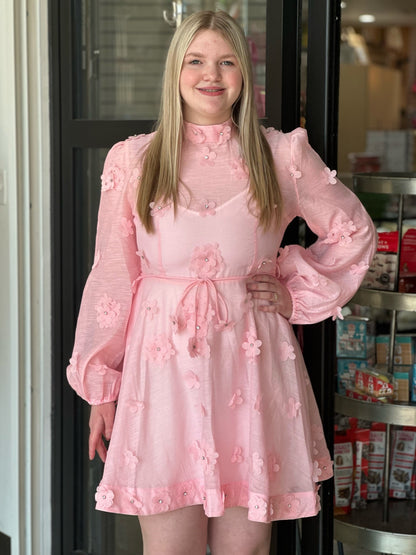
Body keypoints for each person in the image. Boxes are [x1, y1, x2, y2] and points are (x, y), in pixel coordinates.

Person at [67, 10, 377, 555]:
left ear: (244, 73)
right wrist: (101, 387)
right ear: (175, 70)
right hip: (160, 373)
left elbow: (353, 230)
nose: (212, 74)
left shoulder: (281, 155)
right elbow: (114, 277)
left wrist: (293, 290)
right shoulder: (135, 159)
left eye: (227, 60)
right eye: (196, 60)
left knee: (248, 549)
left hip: (249, 365)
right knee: (169, 548)